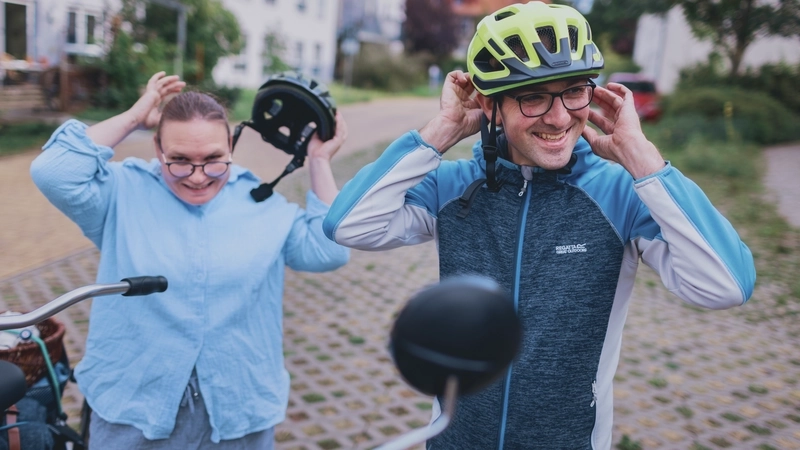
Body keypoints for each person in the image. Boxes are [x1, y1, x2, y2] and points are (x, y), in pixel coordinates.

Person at [322, 2, 756, 449]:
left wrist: (642, 159)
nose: (559, 117)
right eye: (532, 96)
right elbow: (348, 225)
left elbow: (726, 285)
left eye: (573, 91)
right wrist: (442, 130)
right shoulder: (455, 186)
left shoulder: (621, 194)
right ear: (491, 103)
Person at [30, 72, 350, 448]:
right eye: (179, 160)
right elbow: (54, 170)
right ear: (157, 148)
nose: (198, 178)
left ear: (231, 145)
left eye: (214, 159)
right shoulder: (121, 192)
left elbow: (330, 250)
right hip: (133, 411)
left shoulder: (263, 204)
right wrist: (134, 116)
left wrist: (318, 161)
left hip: (238, 414)